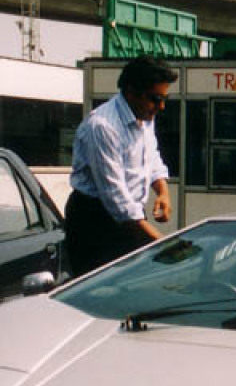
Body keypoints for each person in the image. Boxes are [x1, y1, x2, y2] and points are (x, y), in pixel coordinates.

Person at [65, 56, 177, 276]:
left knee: (132, 285)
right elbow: (115, 197)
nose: (160, 107)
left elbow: (151, 158)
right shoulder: (103, 127)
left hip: (129, 217)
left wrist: (162, 192)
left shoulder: (145, 115)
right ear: (131, 91)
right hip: (96, 221)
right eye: (155, 99)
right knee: (98, 292)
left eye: (165, 99)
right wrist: (163, 244)